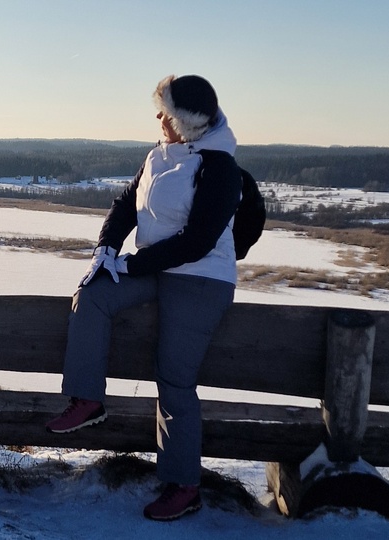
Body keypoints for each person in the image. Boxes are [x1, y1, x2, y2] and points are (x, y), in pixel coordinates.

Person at [44, 74, 242, 521]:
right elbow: (125, 204)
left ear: (186, 122)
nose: (157, 117)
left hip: (200, 277)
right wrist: (107, 249)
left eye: (165, 112)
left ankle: (183, 486)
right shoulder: (158, 154)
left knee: (173, 376)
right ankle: (87, 399)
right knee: (92, 294)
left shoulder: (219, 167)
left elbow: (197, 242)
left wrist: (132, 264)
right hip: (154, 266)